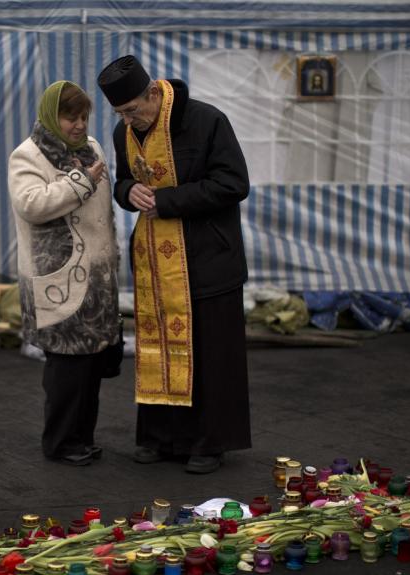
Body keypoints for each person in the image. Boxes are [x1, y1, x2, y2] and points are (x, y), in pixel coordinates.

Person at [97, 54, 251, 474]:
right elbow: (124, 181)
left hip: (209, 261)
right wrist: (128, 193)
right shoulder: (123, 132)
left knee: (208, 357)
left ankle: (208, 443)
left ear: (152, 93)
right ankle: (159, 437)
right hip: (155, 264)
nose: (129, 121)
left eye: (132, 111)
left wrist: (166, 200)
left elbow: (234, 183)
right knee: (156, 348)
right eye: (120, 114)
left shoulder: (206, 120)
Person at [8, 80, 120, 466]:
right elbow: (31, 204)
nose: (78, 124)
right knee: (66, 367)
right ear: (51, 116)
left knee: (90, 366)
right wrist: (81, 181)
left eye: (84, 116)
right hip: (57, 277)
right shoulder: (27, 155)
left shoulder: (92, 149)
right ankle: (59, 443)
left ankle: (82, 439)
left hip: (96, 276)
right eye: (70, 116)